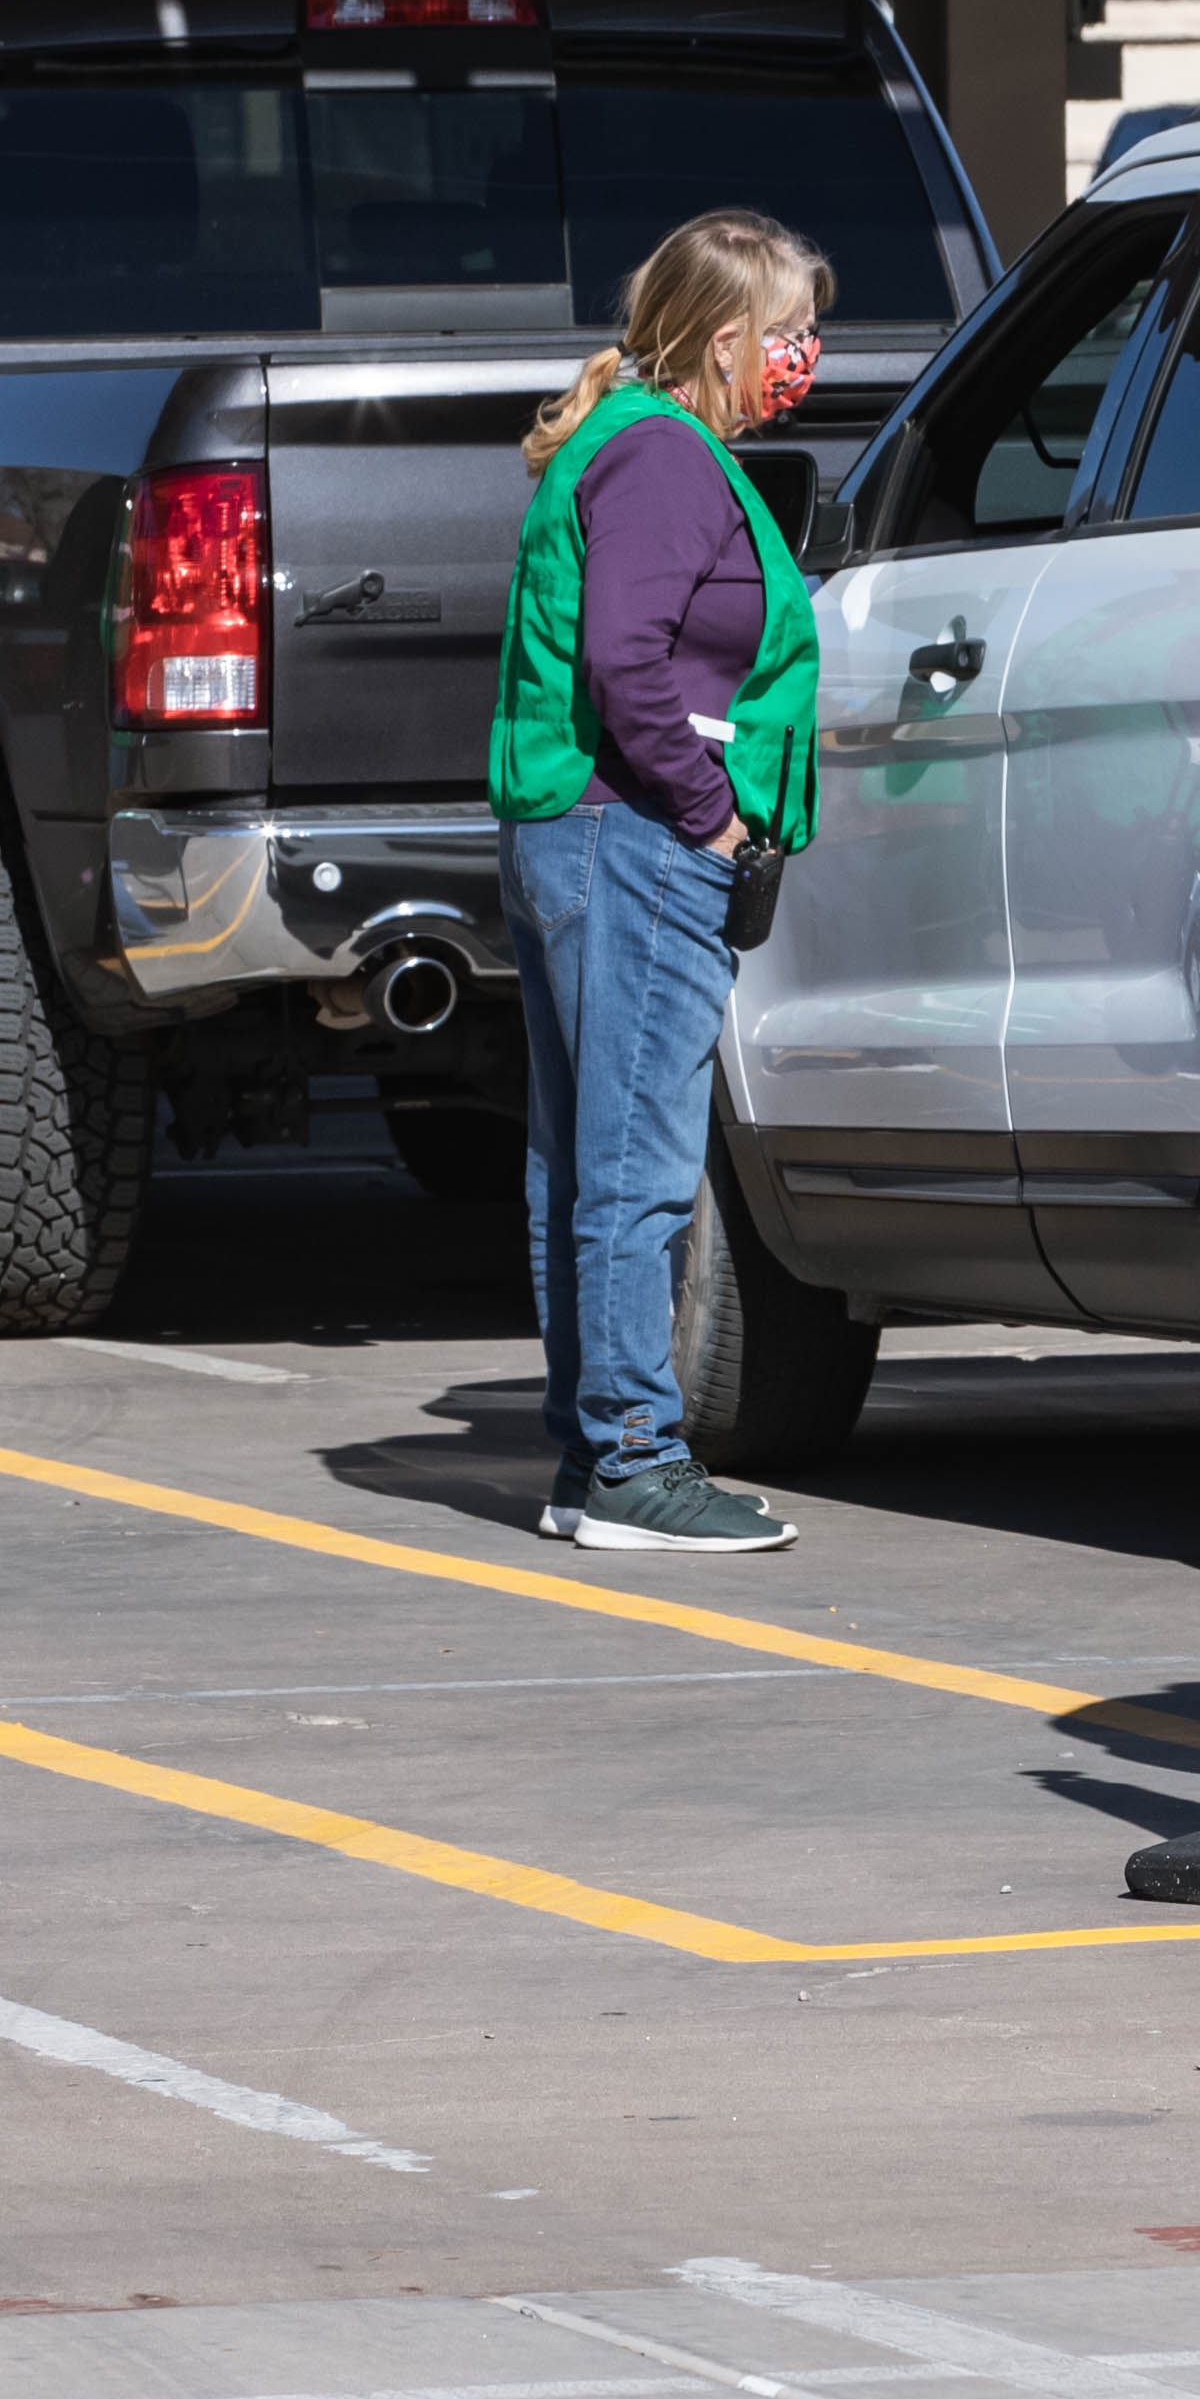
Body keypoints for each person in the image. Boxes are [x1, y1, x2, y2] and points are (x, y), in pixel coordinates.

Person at [487, 209, 828, 1555]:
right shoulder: (663, 463)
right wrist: (718, 825)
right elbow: (629, 666)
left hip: (594, 834)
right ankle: (632, 1456)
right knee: (632, 1167)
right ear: (728, 339)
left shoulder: (642, 445)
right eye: (792, 332)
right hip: (630, 839)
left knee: (587, 1160)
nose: (807, 354)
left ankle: (598, 1451)